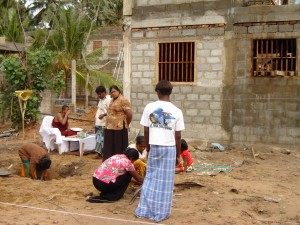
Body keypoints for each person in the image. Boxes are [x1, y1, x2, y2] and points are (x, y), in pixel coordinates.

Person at [135, 80, 185, 222]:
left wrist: (148, 148)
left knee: (151, 178)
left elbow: (146, 130)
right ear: (170, 92)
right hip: (169, 149)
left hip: (155, 146)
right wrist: (178, 154)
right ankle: (160, 213)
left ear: (158, 91)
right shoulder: (177, 111)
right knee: (165, 182)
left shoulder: (149, 107)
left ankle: (144, 210)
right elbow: (178, 135)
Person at [102, 85, 132, 161]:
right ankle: (109, 161)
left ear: (119, 91)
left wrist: (127, 124)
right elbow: (111, 112)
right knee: (109, 146)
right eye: (111, 92)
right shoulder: (112, 100)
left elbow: (129, 114)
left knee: (118, 146)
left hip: (119, 128)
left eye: (114, 91)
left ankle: (118, 162)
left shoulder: (123, 100)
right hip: (109, 127)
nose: (113, 93)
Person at [94, 85, 111, 159]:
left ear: (104, 92)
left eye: (100, 94)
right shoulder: (101, 100)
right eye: (98, 94)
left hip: (104, 123)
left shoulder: (109, 100)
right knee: (98, 138)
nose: (99, 95)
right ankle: (99, 153)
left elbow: (111, 111)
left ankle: (105, 154)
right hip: (98, 123)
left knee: (103, 139)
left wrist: (103, 115)